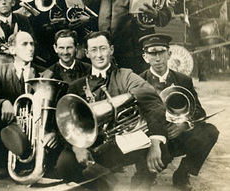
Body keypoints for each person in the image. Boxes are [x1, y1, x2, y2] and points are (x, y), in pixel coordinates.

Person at [54, 31, 170, 190]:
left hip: (121, 143)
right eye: (94, 50)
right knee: (64, 165)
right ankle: (101, 185)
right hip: (92, 144)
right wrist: (77, 147)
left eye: (103, 48)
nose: (99, 55)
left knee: (161, 148)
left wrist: (156, 141)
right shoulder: (76, 86)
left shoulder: (125, 75)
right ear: (87, 53)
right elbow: (64, 122)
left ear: (111, 50)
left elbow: (152, 101)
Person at [138, 33, 219, 190]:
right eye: (152, 53)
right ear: (145, 57)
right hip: (152, 141)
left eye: (161, 52)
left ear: (169, 54)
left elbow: (199, 112)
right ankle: (147, 173)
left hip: (178, 135)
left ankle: (183, 173)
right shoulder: (138, 81)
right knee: (141, 183)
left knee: (210, 131)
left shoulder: (183, 80)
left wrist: (184, 124)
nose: (157, 58)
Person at [0, 31, 45, 178]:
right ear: (12, 50)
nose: (30, 48)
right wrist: (3, 103)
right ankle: (3, 161)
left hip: (34, 125)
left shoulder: (42, 73)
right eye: (24, 44)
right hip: (10, 123)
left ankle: (34, 161)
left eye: (32, 44)